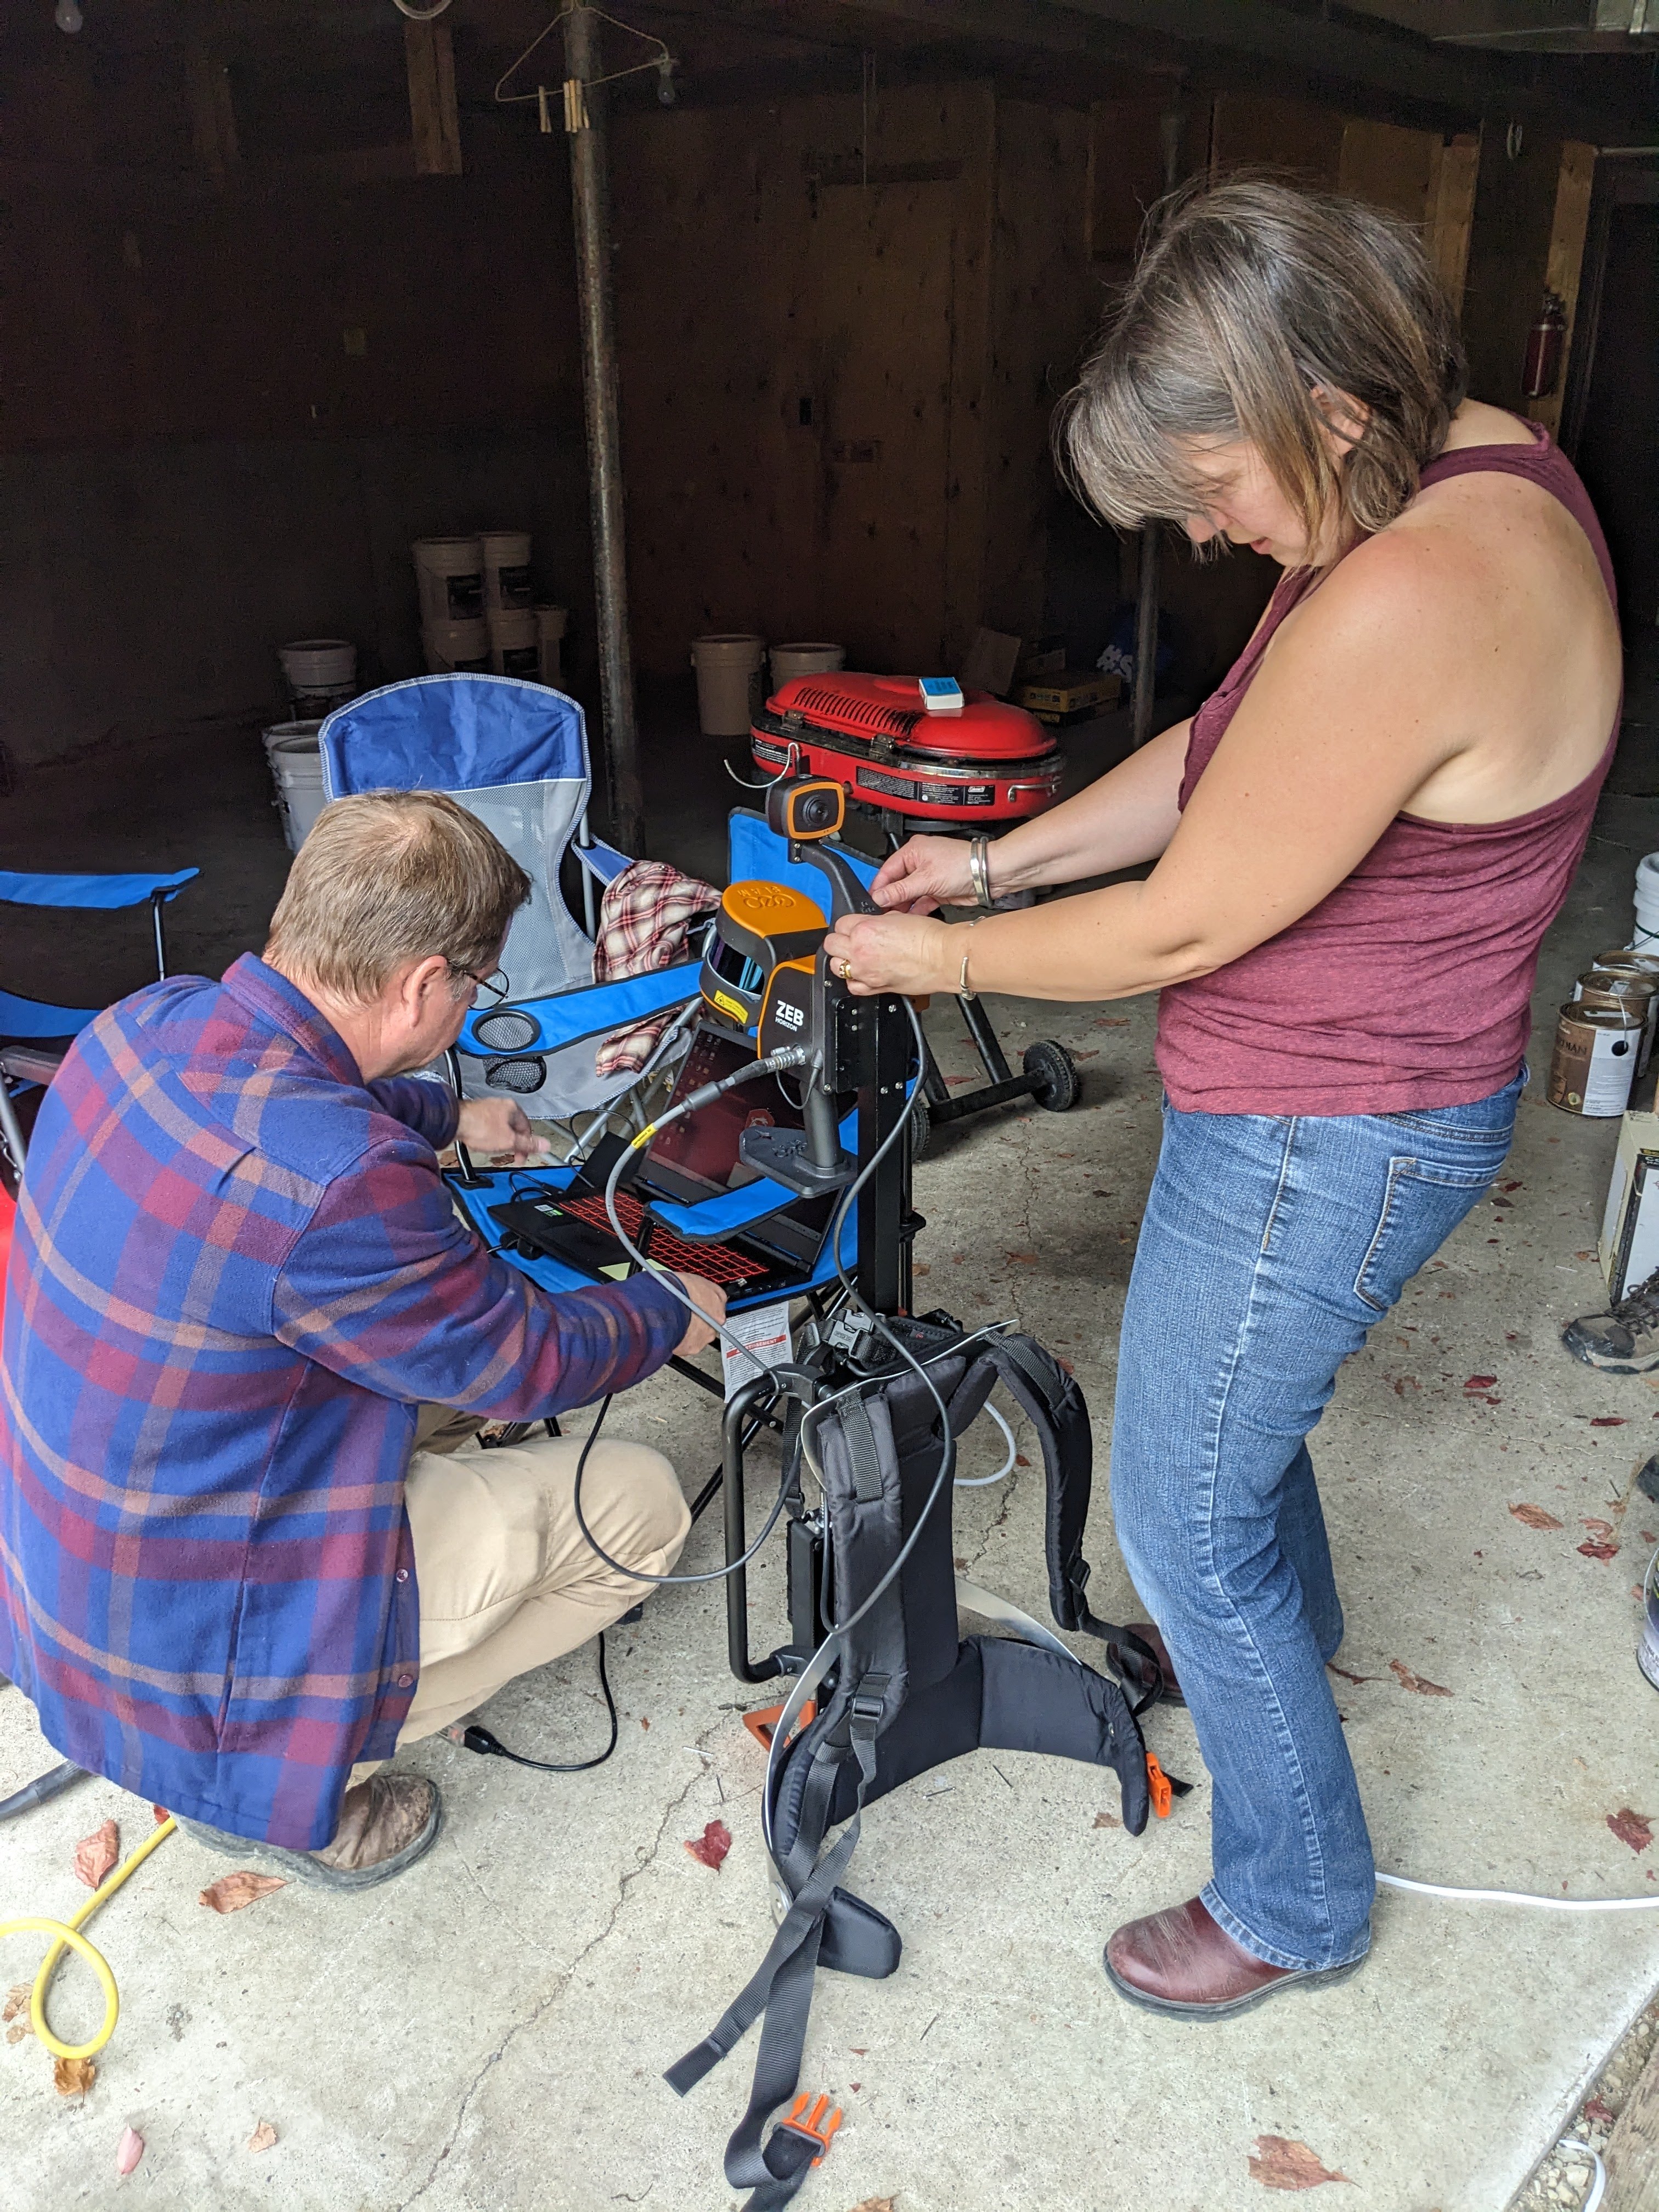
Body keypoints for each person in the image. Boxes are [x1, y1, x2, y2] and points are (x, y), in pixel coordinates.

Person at [823, 178, 1622, 2017]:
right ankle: (1269, 1648)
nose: (1202, 536)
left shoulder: (1416, 586)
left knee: (1182, 1512)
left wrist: (930, 963)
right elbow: (1235, 745)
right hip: (1341, 1109)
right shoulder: (1464, 461)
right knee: (1218, 1465)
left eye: (1212, 492)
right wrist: (996, 867)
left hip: (1320, 1137)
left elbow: (1187, 915)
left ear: (1325, 409)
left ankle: (1292, 1900)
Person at [0, 792, 725, 1887]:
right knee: (640, 1503)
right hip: (200, 1652)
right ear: (429, 983)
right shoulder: (343, 1188)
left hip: (74, 1578)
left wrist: (449, 1119)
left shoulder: (144, 1021)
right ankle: (282, 1789)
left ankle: (247, 1743)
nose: (470, 1001)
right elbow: (525, 1357)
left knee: (419, 1387)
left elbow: (293, 1080)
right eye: (474, 983)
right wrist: (682, 1298)